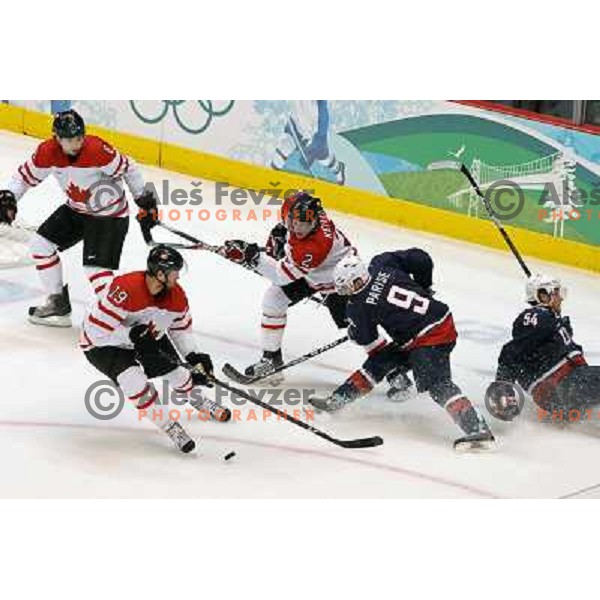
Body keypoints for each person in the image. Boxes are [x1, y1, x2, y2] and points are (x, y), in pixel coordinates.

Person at [309, 250, 495, 451]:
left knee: (437, 384)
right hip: (437, 321)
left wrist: (355, 332)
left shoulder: (358, 305)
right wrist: (424, 286)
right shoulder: (381, 264)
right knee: (379, 364)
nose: (344, 292)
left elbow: (369, 341)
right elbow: (421, 258)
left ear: (355, 282)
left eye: (345, 287)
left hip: (430, 338)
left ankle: (477, 429)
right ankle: (337, 401)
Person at [0, 109, 158, 327]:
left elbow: (129, 168)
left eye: (79, 137)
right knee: (40, 246)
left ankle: (125, 320)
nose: (77, 143)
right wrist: (9, 197)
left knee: (96, 271)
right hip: (76, 210)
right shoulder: (47, 152)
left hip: (109, 215)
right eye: (70, 139)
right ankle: (58, 304)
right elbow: (23, 177)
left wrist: (144, 199)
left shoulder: (97, 150)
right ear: (57, 138)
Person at [81, 245, 229, 454]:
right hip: (104, 345)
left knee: (178, 374)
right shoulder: (125, 289)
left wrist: (193, 356)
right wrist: (131, 336)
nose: (178, 276)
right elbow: (96, 332)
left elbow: (180, 329)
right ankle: (169, 426)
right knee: (135, 383)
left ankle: (197, 400)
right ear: (160, 274)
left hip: (146, 336)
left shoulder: (176, 295)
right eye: (175, 272)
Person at [221, 191, 356, 383]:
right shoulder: (310, 215)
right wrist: (275, 246)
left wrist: (252, 257)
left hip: (341, 281)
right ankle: (271, 361)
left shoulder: (313, 248)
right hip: (313, 273)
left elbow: (281, 276)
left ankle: (393, 371)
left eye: (304, 224)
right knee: (274, 299)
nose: (298, 229)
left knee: (361, 328)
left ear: (314, 221)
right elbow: (288, 248)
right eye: (293, 223)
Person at [488, 273, 596, 419]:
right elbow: (511, 353)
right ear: (543, 296)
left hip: (562, 391)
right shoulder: (538, 317)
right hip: (563, 387)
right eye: (556, 293)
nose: (561, 298)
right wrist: (502, 390)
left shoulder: (549, 319)